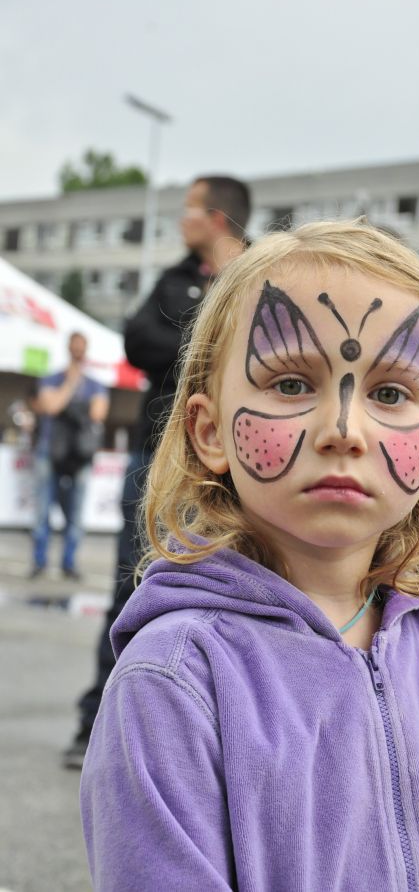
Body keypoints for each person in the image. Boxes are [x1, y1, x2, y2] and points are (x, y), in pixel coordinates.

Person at [80, 220, 419, 890]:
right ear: (209, 431)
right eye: (291, 384)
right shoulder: (175, 679)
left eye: (390, 394)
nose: (343, 430)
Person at [63, 176, 251, 768]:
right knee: (134, 581)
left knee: (232, 591)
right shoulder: (174, 279)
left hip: (242, 467)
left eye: (189, 209)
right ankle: (99, 720)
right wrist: (211, 344)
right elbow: (137, 340)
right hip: (159, 458)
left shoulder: (263, 277)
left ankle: (204, 736)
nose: (180, 220)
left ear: (216, 218)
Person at [30, 331, 108, 579]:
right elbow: (51, 406)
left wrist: (68, 399)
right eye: (75, 347)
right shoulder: (52, 378)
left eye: (81, 347)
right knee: (42, 510)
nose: (78, 352)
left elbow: (98, 413)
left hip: (80, 453)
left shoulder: (95, 383)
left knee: (75, 513)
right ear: (68, 348)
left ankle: (69, 562)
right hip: (50, 450)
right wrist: (71, 384)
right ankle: (39, 562)